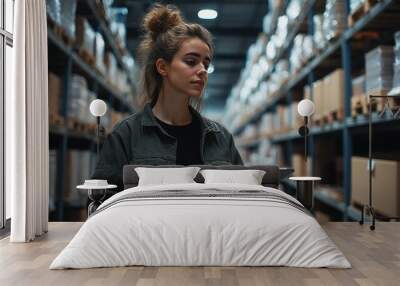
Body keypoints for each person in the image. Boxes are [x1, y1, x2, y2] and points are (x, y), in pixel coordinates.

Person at [92, 4, 243, 192]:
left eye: (206, 63)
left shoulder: (220, 138)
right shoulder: (127, 135)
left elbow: (243, 195)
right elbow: (101, 202)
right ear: (162, 67)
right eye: (191, 61)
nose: (203, 70)